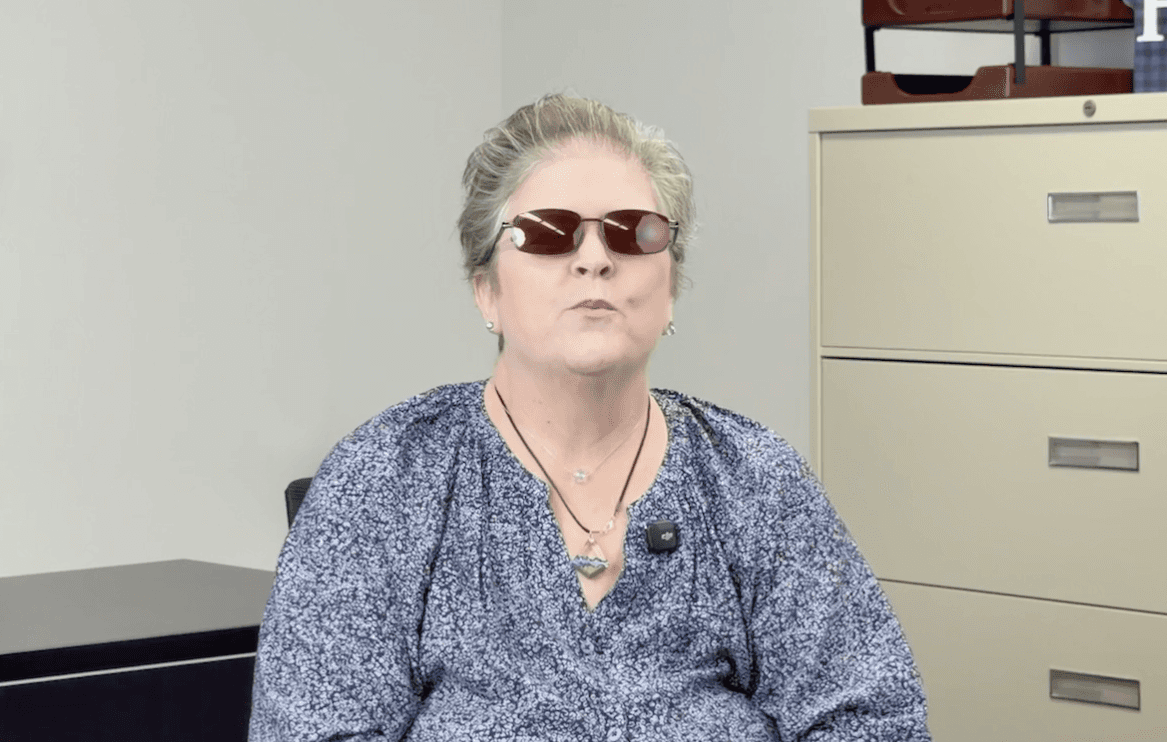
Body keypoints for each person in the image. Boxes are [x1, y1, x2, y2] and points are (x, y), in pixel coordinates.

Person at [248, 94, 930, 741]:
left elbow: (874, 719)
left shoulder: (756, 479)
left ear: (671, 289)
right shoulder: (384, 478)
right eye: (549, 233)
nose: (597, 260)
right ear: (486, 290)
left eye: (636, 233)